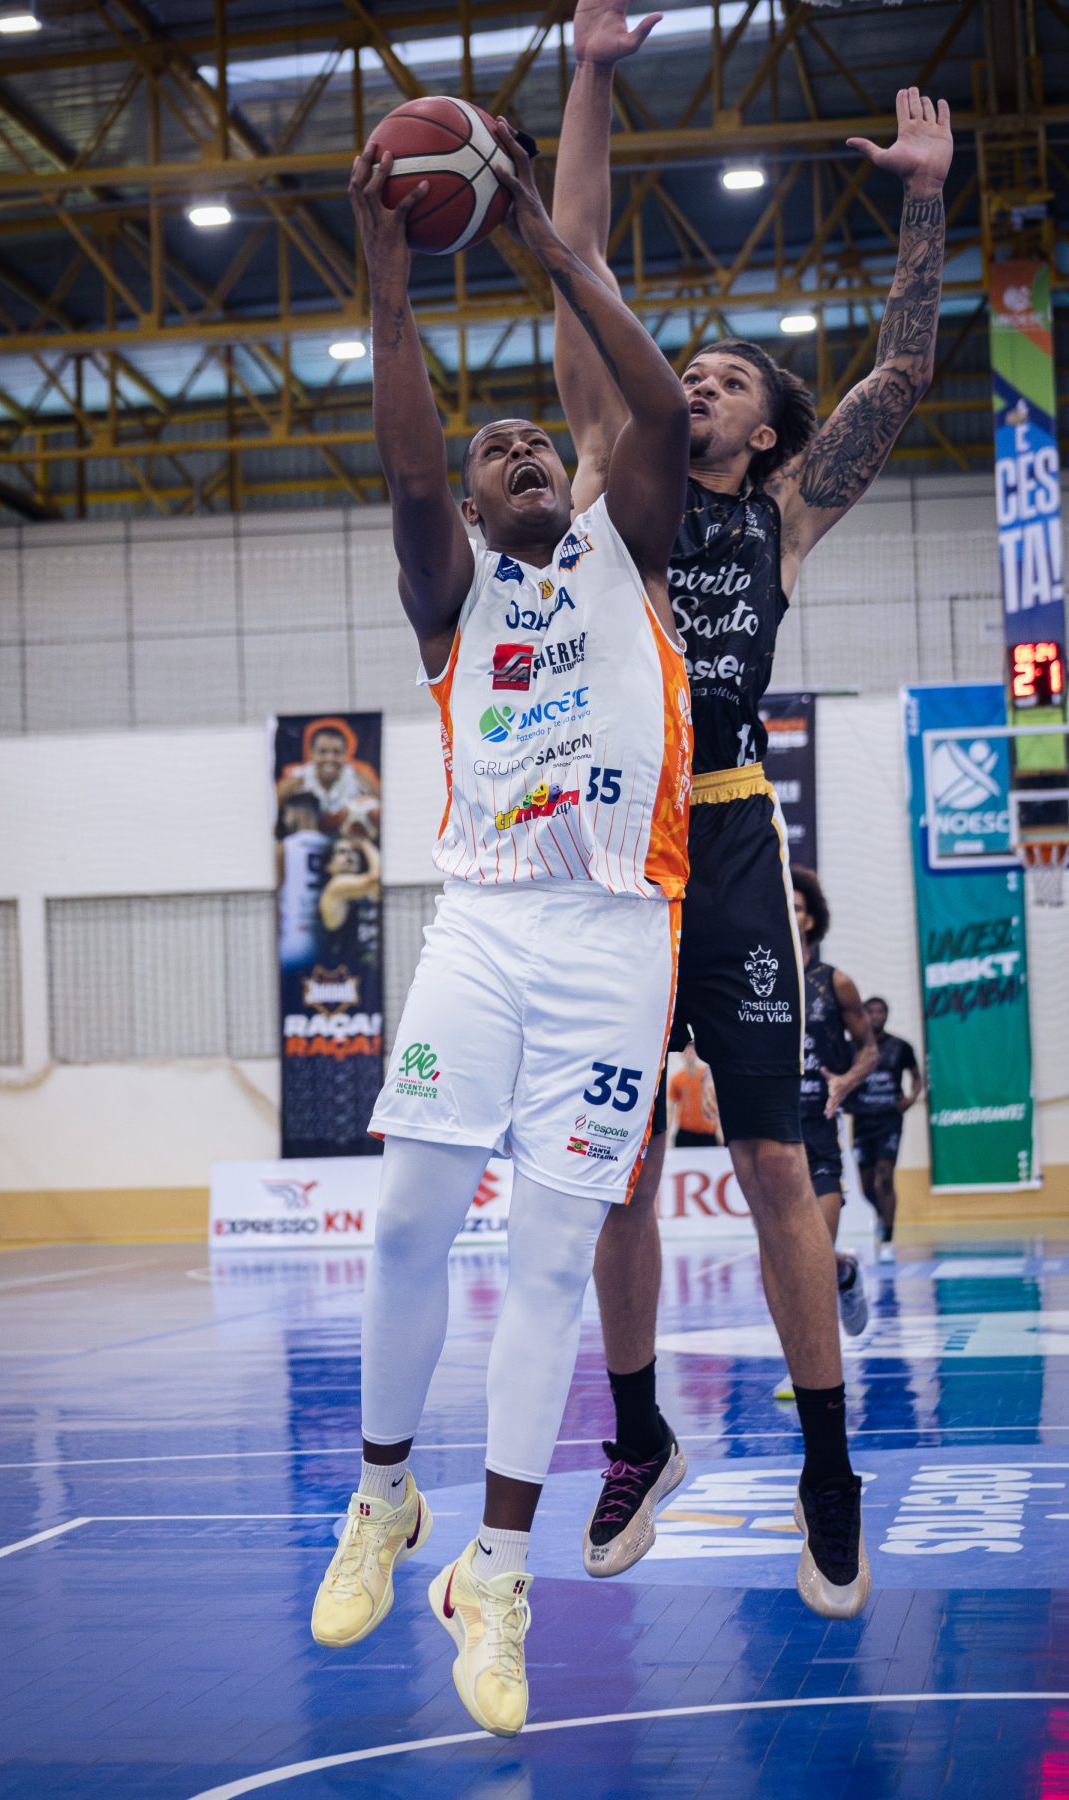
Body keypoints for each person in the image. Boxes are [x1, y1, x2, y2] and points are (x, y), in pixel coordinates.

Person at [553, 0, 951, 1616]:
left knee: (779, 1166)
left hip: (721, 837)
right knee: (618, 1167)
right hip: (602, 848)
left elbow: (905, 369)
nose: (694, 385)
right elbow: (579, 256)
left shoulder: (781, 514)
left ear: (766, 426)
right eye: (688, 373)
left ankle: (827, 1467)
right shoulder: (609, 467)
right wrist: (589, 75)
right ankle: (641, 1435)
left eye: (721, 379)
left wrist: (924, 199)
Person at [311, 122, 692, 1738]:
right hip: (483, 927)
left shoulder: (628, 550)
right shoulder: (450, 597)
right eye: (495, 451)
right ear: (471, 509)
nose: (520, 448)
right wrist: (390, 276)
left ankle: (501, 1572)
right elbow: (408, 467)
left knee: (547, 1268)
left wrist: (551, 245)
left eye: (537, 439)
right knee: (409, 1223)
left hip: (616, 940)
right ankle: (382, 1496)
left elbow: (657, 415)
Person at [793, 865, 877, 1338]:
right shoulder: (754, 980)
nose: (789, 914)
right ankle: (844, 1271)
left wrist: (846, 1080)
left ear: (811, 919)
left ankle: (809, 1367)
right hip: (772, 1135)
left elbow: (869, 1049)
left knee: (810, 1258)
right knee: (791, 1259)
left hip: (820, 1133)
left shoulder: (835, 982)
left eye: (798, 908)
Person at [848, 997, 924, 1261]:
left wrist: (911, 1098)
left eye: (881, 1011)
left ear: (887, 1015)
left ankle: (889, 1237)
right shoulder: (852, 1047)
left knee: (886, 1174)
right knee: (866, 1184)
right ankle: (882, 1214)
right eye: (871, 1011)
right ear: (863, 1014)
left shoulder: (900, 1046)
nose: (876, 1015)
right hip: (862, 1119)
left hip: (889, 1119)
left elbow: (917, 1076)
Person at [277, 717, 381, 834]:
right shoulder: (294, 782)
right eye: (323, 752)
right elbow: (272, 817)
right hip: (306, 840)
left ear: (346, 754)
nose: (330, 758)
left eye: (337, 752)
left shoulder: (361, 779)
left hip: (348, 839)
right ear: (311, 753)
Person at [276, 791, 329, 972]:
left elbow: (275, 892)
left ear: (300, 813)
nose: (284, 821)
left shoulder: (285, 847)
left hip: (293, 938)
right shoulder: (331, 845)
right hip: (324, 938)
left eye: (286, 814)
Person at [319, 834, 381, 969]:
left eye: (354, 851)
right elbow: (375, 877)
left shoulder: (364, 889)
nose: (349, 856)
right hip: (343, 973)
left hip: (367, 970)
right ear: (328, 866)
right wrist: (364, 842)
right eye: (342, 852)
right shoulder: (335, 886)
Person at [665, 1041, 721, 1148]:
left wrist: (719, 1130)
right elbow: (670, 1109)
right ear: (681, 1054)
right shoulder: (676, 1079)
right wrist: (666, 1136)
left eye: (692, 1049)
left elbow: (716, 1103)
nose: (689, 1052)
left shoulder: (707, 1076)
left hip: (708, 1134)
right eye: (686, 1049)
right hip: (685, 1134)